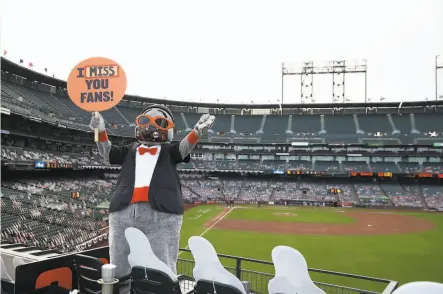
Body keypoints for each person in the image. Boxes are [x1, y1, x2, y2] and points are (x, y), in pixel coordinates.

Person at [89, 105, 215, 294]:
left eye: (160, 122)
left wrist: (196, 133)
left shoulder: (169, 151)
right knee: (119, 262)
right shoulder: (130, 149)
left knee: (162, 262)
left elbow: (183, 149)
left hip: (161, 213)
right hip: (124, 209)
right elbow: (107, 153)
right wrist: (100, 131)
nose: (152, 128)